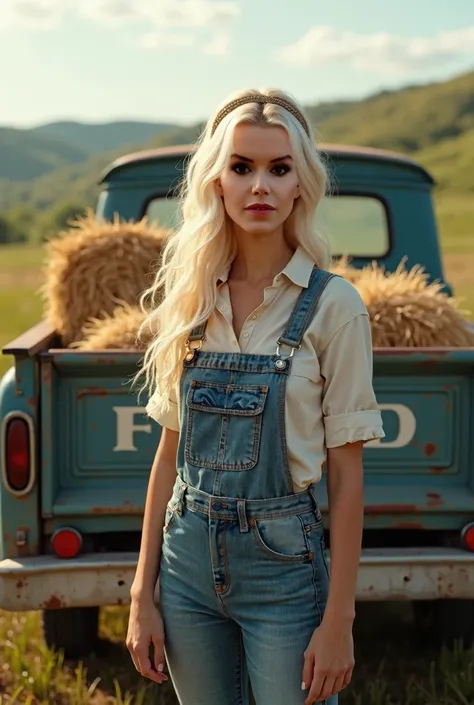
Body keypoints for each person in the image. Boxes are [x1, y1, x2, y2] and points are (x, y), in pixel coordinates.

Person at [126, 87, 385, 705]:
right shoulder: (191, 302)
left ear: (302, 183)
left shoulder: (334, 307)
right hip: (185, 560)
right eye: (241, 167)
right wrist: (142, 595)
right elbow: (169, 457)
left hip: (285, 568)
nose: (260, 186)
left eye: (279, 168)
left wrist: (339, 622)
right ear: (217, 181)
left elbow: (347, 481)